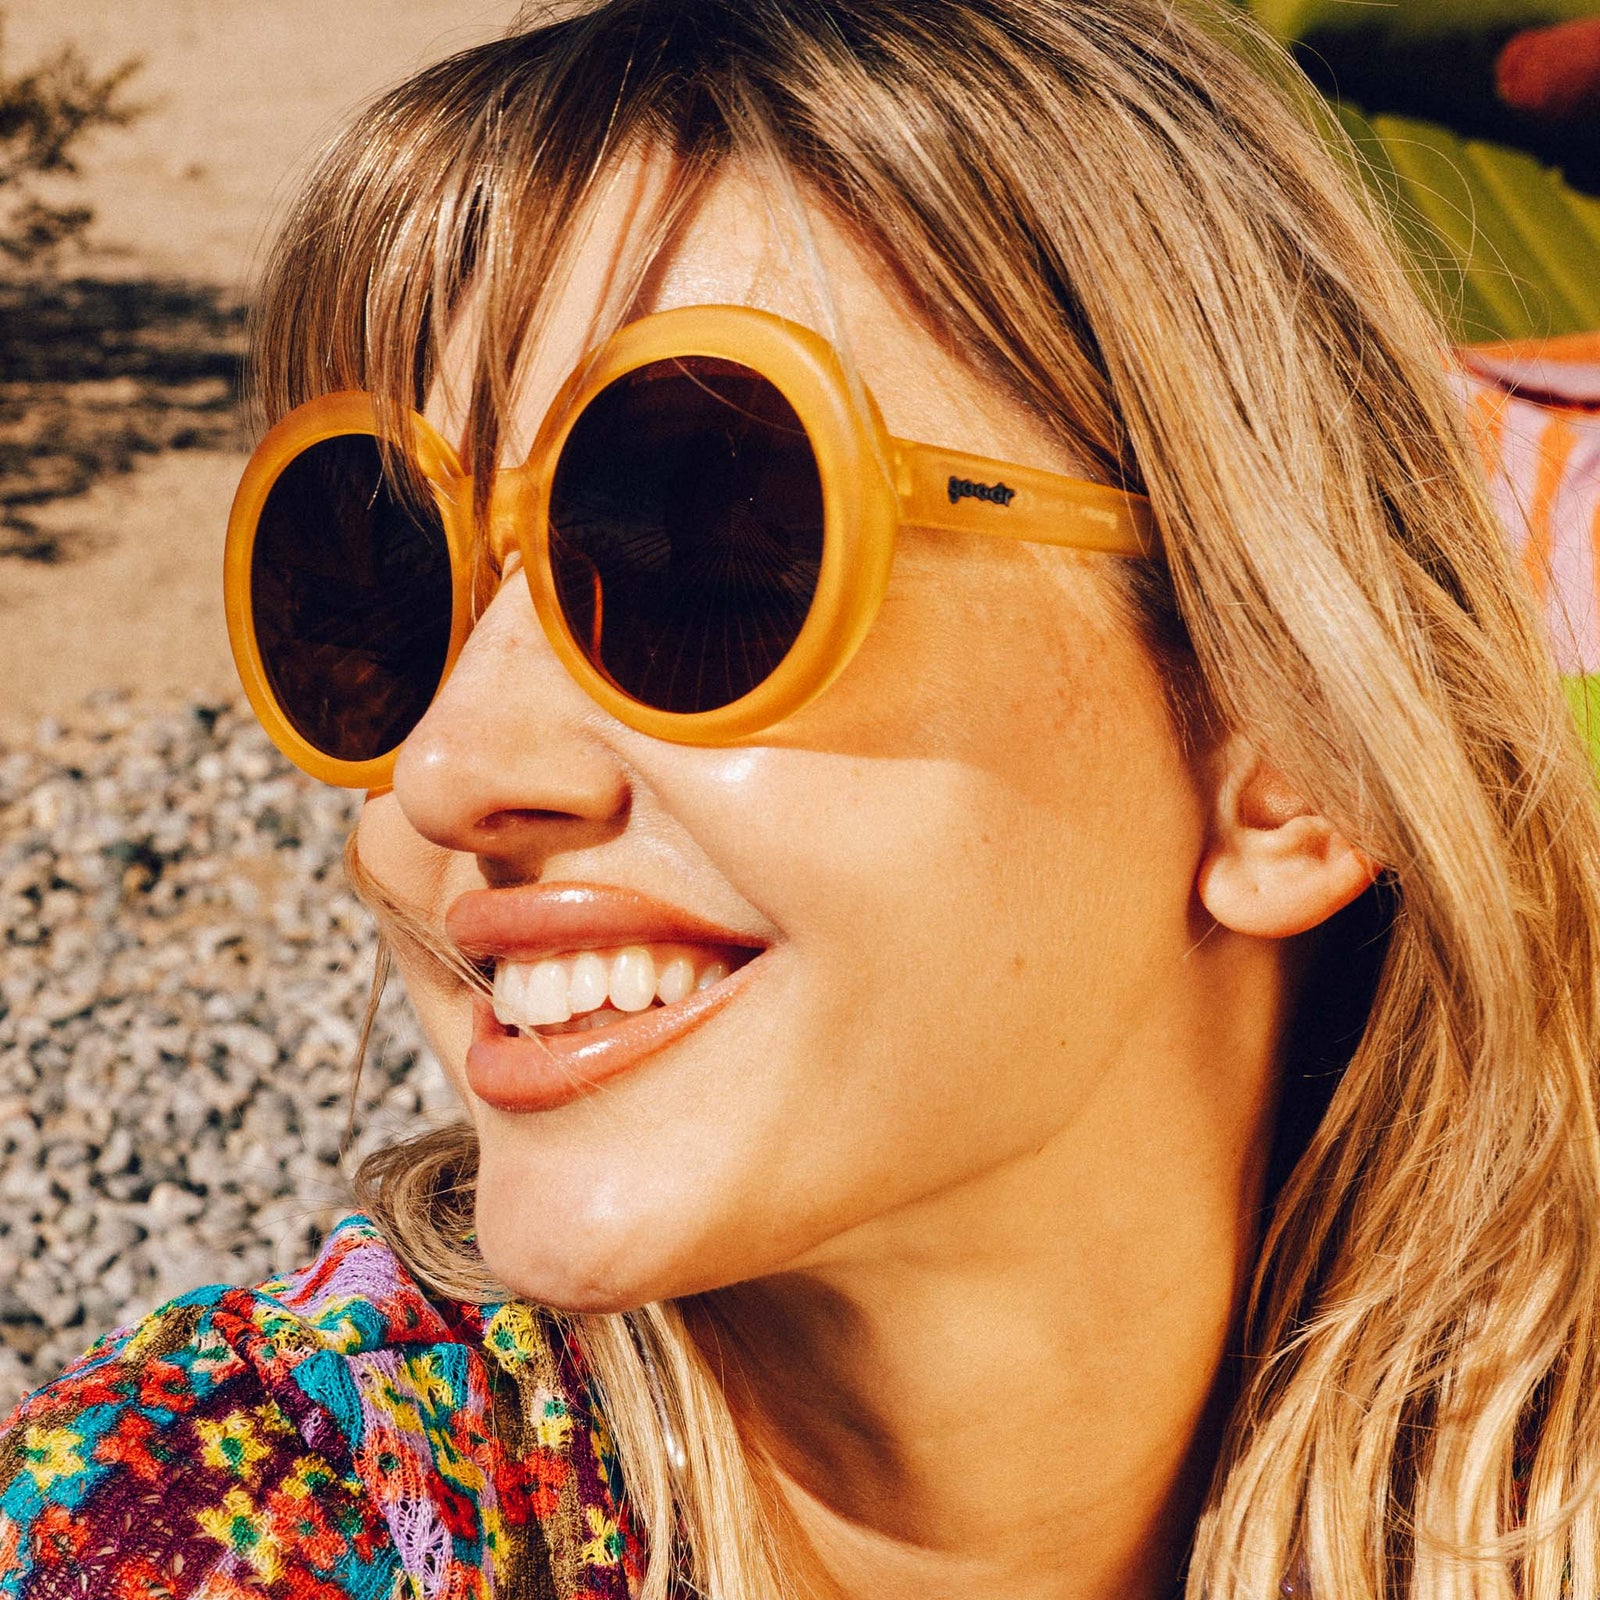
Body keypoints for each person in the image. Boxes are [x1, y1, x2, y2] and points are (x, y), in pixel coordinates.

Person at [6, 1, 1600, 1596]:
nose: (446, 769)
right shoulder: (209, 1517)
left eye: (703, 552)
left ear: (1287, 751)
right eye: (378, 582)